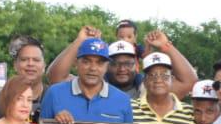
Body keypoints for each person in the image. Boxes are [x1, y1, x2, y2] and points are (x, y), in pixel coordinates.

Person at [48, 26, 198, 99]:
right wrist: (79, 42)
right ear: (106, 66)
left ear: (136, 64)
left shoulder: (148, 89)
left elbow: (189, 81)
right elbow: (56, 77)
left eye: (128, 63)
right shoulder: (91, 84)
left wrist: (166, 47)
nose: (122, 69)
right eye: (115, 63)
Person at [0, 36, 46, 123]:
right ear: (15, 65)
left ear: (44, 65)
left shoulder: (54, 97)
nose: (30, 64)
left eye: (36, 60)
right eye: (24, 59)